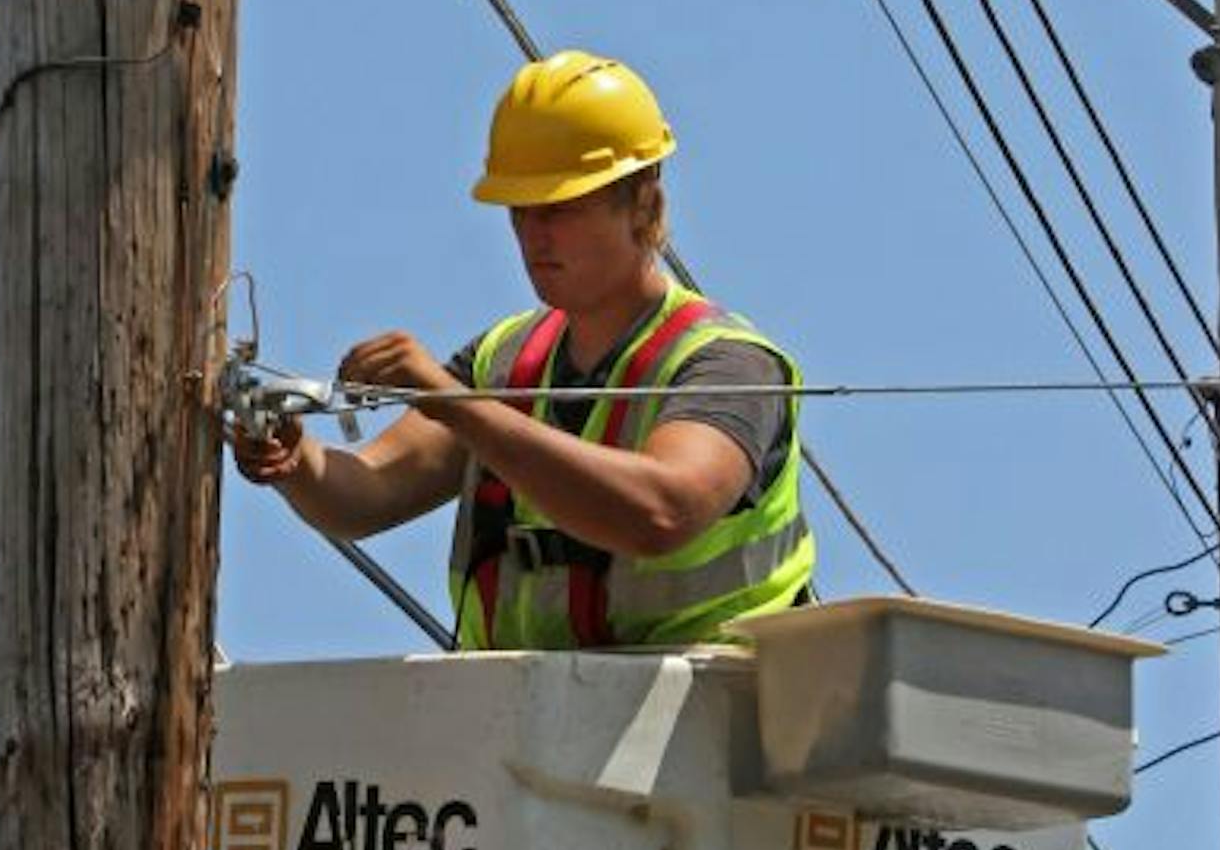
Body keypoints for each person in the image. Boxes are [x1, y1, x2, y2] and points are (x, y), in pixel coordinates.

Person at [229, 51, 815, 648]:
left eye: (561, 209)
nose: (534, 236)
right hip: (527, 716)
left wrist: (454, 404)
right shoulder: (505, 359)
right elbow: (371, 491)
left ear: (642, 203)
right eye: (520, 210)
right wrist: (298, 463)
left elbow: (662, 512)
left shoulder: (728, 365)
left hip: (704, 719)